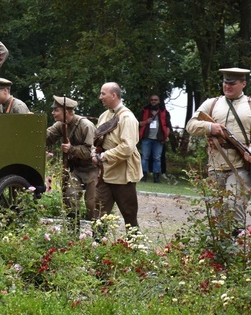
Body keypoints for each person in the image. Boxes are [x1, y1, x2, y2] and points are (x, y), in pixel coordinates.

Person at [185, 67, 251, 229]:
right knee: (217, 214)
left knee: (234, 208)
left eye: (232, 83)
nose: (227, 86)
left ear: (243, 84)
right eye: (226, 82)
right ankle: (219, 252)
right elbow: (191, 125)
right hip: (216, 165)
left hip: (241, 165)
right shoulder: (211, 103)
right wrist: (210, 127)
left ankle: (236, 249)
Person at [92, 82, 142, 231]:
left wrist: (104, 156)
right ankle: (97, 249)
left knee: (129, 216)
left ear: (114, 95)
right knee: (99, 215)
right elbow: (96, 139)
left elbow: (127, 148)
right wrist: (94, 152)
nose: (100, 97)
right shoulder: (104, 116)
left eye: (103, 94)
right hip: (105, 174)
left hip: (123, 176)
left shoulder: (127, 118)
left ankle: (135, 251)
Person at [46, 95, 97, 221]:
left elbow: (90, 152)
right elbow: (47, 137)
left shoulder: (86, 126)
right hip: (77, 170)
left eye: (56, 110)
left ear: (67, 112)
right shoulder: (60, 125)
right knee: (70, 197)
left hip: (93, 170)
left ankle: (97, 236)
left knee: (93, 204)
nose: (53, 113)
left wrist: (71, 149)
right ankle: (73, 233)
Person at [138, 94, 172, 183]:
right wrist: (146, 122)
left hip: (159, 139)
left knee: (157, 158)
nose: (154, 101)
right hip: (146, 138)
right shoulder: (144, 111)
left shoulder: (164, 112)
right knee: (145, 157)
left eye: (155, 100)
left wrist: (165, 136)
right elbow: (138, 123)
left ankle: (156, 178)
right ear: (150, 101)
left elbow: (168, 126)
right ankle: (143, 177)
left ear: (159, 101)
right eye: (152, 100)